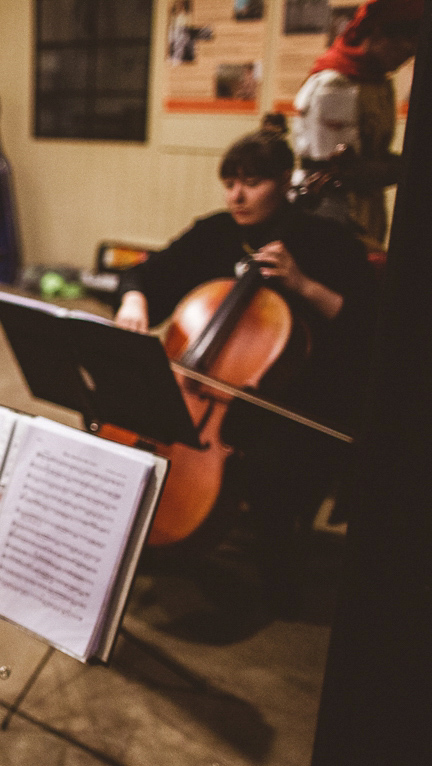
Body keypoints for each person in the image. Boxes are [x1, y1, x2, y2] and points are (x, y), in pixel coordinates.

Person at [114, 118, 378, 612]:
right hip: (207, 390)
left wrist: (302, 286)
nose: (237, 196)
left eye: (251, 183)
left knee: (276, 467)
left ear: (283, 182)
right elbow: (144, 274)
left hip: (294, 397)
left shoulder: (326, 241)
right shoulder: (215, 234)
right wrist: (135, 301)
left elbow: (368, 323)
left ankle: (279, 579)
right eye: (230, 182)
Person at [291, 0, 423, 248]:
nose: (402, 59)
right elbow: (340, 169)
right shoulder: (335, 83)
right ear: (377, 33)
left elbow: (375, 154)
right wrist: (409, 168)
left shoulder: (378, 82)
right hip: (332, 209)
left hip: (366, 205)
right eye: (400, 48)